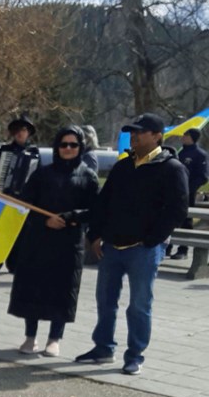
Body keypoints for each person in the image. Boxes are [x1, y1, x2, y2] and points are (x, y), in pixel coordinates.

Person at [76, 113, 189, 375]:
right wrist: (95, 234)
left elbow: (177, 210)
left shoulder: (172, 168)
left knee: (139, 304)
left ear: (157, 136)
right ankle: (103, 347)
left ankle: (135, 354)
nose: (134, 136)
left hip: (144, 250)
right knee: (105, 300)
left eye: (141, 132)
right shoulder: (123, 166)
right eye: (132, 132)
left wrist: (152, 240)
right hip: (112, 247)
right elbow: (104, 203)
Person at [8, 126, 99, 357]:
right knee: (34, 286)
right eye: (63, 144)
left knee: (63, 288)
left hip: (69, 242)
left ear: (80, 147)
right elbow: (26, 205)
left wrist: (71, 218)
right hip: (39, 239)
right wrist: (44, 220)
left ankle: (55, 338)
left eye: (73, 145)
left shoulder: (88, 176)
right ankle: (30, 336)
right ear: (57, 147)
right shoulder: (42, 173)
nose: (68, 149)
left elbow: (95, 209)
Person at [0, 114, 40, 273]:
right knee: (0, 230)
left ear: (28, 132)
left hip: (23, 201)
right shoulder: (5, 150)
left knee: (20, 233)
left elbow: (38, 176)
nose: (20, 133)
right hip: (5, 197)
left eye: (23, 130)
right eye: (17, 130)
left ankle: (14, 263)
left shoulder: (34, 152)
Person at [166, 128, 208, 260]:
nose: (182, 137)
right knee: (170, 220)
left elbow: (203, 176)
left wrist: (188, 188)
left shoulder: (200, 154)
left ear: (192, 137)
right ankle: (167, 247)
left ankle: (183, 250)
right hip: (173, 192)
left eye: (185, 135)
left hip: (187, 194)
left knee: (186, 220)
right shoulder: (181, 152)